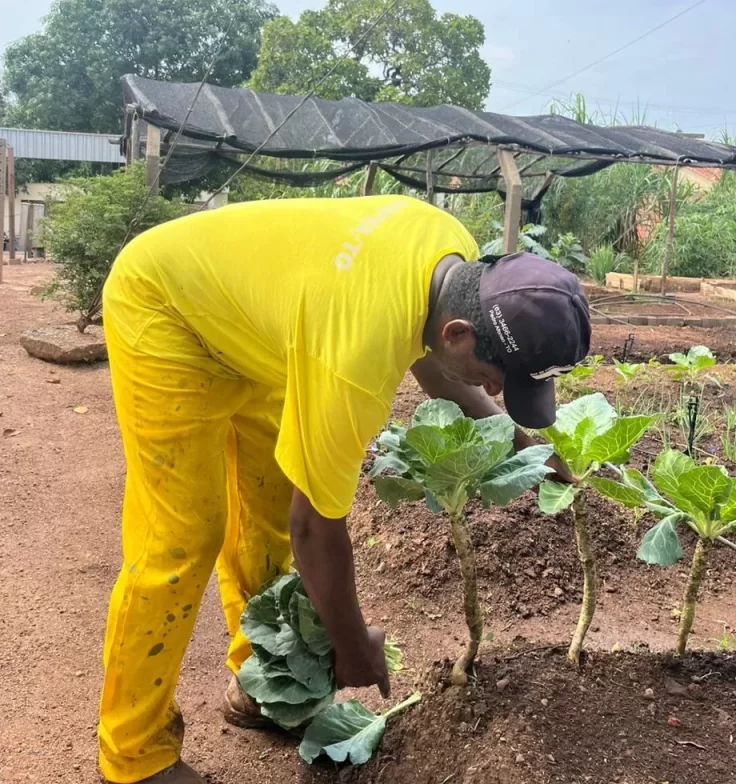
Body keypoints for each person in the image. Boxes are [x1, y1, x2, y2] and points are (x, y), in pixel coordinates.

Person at [98, 194, 590, 784]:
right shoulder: (353, 360)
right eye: (496, 377)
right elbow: (314, 528)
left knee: (265, 512)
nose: (496, 390)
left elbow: (435, 362)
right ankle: (135, 755)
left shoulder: (452, 262)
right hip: (167, 309)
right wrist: (353, 648)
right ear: (460, 331)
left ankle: (262, 682)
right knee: (182, 537)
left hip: (265, 329)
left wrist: (527, 447)